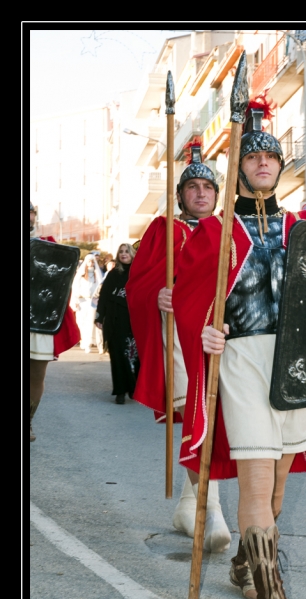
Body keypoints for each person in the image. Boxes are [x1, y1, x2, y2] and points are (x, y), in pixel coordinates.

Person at [172, 96, 306, 599]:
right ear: (239, 166)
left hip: (294, 365)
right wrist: (205, 329)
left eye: (272, 158)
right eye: (253, 157)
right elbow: (194, 302)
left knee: (280, 488)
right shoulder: (216, 234)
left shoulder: (302, 227)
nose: (263, 163)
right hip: (241, 361)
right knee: (258, 484)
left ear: (280, 167)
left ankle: (245, 561)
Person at [125, 141, 232, 555]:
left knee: (216, 419)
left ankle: (190, 505)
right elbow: (136, 285)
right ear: (182, 195)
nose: (201, 192)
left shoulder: (228, 232)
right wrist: (159, 294)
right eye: (193, 187)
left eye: (208, 186)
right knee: (195, 414)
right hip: (177, 339)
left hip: (217, 337)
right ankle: (211, 510)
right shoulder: (163, 230)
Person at [29, 201, 81, 441]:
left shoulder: (49, 246)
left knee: (35, 376)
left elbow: (62, 286)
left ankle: (26, 421)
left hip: (39, 323)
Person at [95, 244, 139, 404]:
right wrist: (99, 317)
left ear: (133, 254)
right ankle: (120, 390)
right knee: (118, 354)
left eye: (127, 251)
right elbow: (104, 296)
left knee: (133, 356)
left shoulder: (140, 273)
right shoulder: (113, 274)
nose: (124, 254)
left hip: (135, 321)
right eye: (121, 251)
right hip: (115, 320)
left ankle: (134, 388)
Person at [71, 254, 104, 353]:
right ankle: (83, 341)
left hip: (92, 302)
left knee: (90, 323)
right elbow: (75, 288)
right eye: (89, 261)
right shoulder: (80, 275)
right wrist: (75, 301)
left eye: (93, 261)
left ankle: (88, 343)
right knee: (81, 322)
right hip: (82, 302)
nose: (91, 263)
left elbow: (100, 287)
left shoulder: (96, 275)